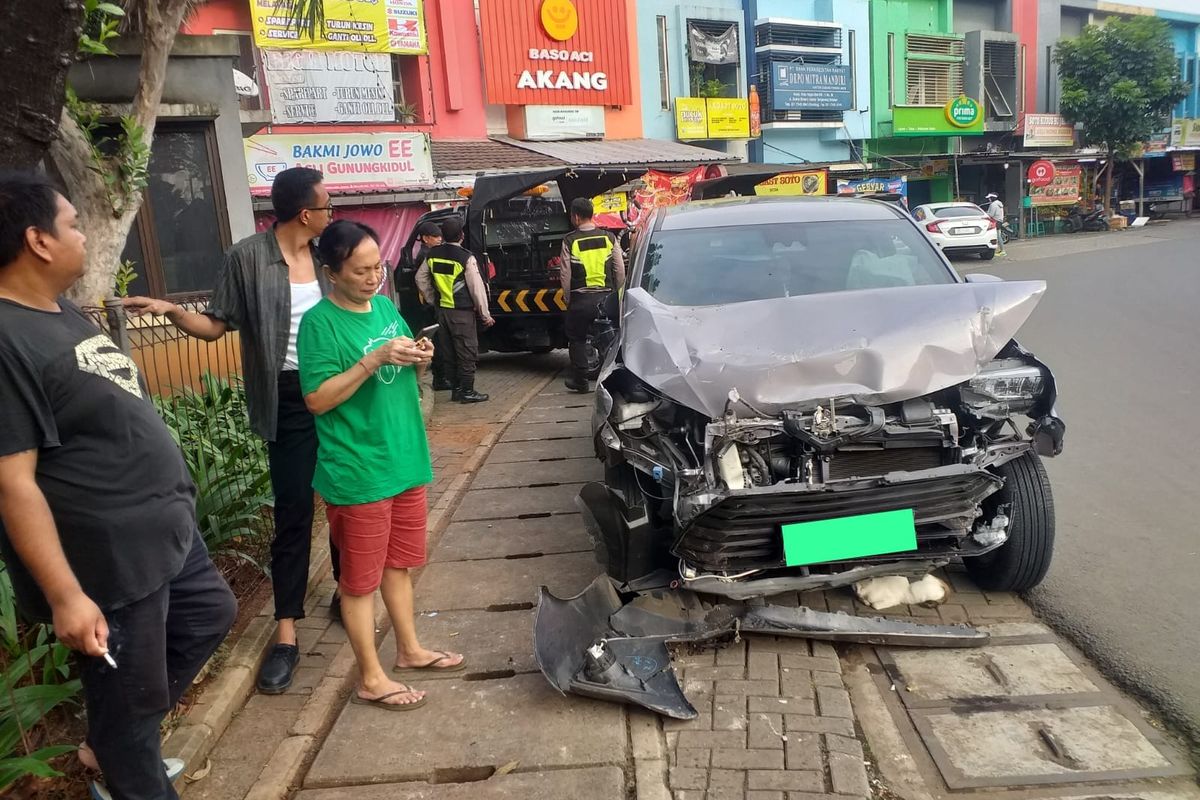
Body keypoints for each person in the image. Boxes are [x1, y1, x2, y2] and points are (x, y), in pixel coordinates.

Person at [0, 171, 237, 800]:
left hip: (162, 530)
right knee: (131, 709)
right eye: (74, 224)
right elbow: (12, 483)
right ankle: (123, 762)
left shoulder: (58, 312)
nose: (84, 235)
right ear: (38, 240)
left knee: (211, 614)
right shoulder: (5, 339)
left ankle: (110, 745)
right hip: (109, 559)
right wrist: (66, 596)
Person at [123, 167, 336, 695]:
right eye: (327, 206)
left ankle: (347, 589)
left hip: (343, 389)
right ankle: (285, 631)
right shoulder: (248, 258)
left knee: (349, 497)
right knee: (293, 511)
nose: (332, 214)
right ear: (304, 213)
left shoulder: (332, 253)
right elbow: (217, 325)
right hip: (287, 398)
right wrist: (172, 310)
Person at [299, 220, 465, 710]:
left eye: (378, 267)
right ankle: (371, 677)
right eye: (361, 271)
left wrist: (419, 356)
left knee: (400, 564)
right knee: (359, 581)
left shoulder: (388, 306)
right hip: (359, 468)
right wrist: (372, 361)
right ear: (332, 273)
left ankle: (410, 650)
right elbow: (317, 398)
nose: (373, 278)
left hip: (403, 458)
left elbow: (401, 361)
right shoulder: (320, 324)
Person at [414, 216, 493, 403]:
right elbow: (476, 288)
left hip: (442, 312)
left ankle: (456, 390)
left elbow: (420, 279)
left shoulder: (432, 255)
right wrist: (485, 314)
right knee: (467, 352)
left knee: (449, 353)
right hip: (461, 312)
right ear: (461, 235)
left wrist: (434, 299)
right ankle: (467, 391)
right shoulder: (466, 257)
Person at [560, 197, 624, 393]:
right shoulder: (609, 238)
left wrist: (568, 298)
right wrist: (619, 296)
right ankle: (612, 381)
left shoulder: (570, 240)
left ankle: (580, 380)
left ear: (576, 217)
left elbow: (565, 273)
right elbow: (619, 269)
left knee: (577, 339)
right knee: (610, 339)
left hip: (580, 299)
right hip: (606, 299)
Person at [407, 220, 455, 392]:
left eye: (440, 236)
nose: (439, 239)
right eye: (435, 236)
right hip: (429, 307)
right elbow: (422, 280)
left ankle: (441, 377)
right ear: (426, 238)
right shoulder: (426, 256)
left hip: (428, 305)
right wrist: (431, 299)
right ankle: (440, 378)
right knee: (436, 342)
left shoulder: (428, 253)